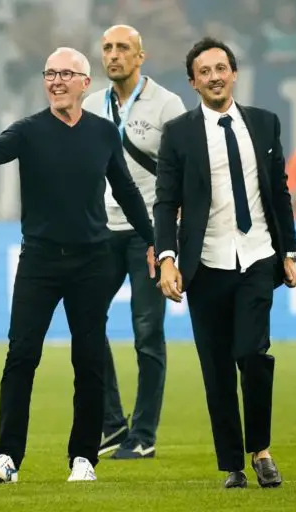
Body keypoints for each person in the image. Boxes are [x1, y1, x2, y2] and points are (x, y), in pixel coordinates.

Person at [0, 47, 156, 483]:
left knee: (89, 362)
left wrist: (155, 242)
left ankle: (83, 459)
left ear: (85, 83)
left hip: (92, 262)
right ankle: (7, 458)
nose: (56, 81)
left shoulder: (103, 133)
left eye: (65, 74)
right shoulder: (29, 130)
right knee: (21, 357)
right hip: (39, 261)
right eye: (50, 74)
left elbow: (127, 191)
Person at [154, 37, 296, 489]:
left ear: (234, 73)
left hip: (257, 257)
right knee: (216, 369)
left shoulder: (265, 123)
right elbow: (165, 202)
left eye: (221, 68)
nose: (214, 77)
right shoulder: (178, 133)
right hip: (205, 265)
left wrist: (289, 252)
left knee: (251, 354)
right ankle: (232, 464)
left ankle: (261, 451)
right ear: (193, 83)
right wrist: (167, 259)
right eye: (205, 71)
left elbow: (279, 192)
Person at [82, 24, 186, 460]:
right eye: (107, 48)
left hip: (147, 235)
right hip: (101, 231)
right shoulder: (91, 104)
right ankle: (111, 425)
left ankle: (143, 435)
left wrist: (166, 239)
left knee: (147, 333)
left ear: (140, 56)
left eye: (123, 48)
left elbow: (181, 172)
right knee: (86, 324)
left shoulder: (167, 104)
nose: (114, 55)